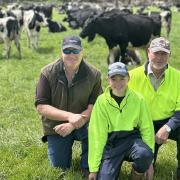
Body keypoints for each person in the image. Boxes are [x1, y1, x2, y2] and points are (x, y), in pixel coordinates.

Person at [35, 35, 102, 177]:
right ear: (61, 52)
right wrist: (70, 117)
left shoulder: (94, 74)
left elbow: (94, 106)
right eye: (67, 50)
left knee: (95, 129)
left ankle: (87, 166)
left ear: (82, 52)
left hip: (84, 122)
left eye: (75, 51)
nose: (71, 54)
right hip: (56, 126)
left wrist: (74, 124)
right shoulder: (47, 72)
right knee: (60, 168)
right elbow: (41, 107)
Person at [88, 62, 154, 180]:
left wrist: (149, 162)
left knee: (145, 154)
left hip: (132, 140)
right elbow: (97, 135)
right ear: (108, 79)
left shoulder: (138, 99)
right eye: (114, 79)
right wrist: (93, 169)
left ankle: (136, 175)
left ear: (128, 78)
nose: (118, 83)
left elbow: (147, 129)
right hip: (112, 144)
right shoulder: (101, 101)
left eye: (122, 78)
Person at [128, 37, 180, 179]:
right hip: (142, 124)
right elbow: (126, 111)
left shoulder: (178, 77)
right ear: (148, 52)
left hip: (169, 122)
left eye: (164, 54)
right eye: (156, 53)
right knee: (145, 166)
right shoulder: (132, 76)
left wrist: (168, 127)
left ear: (170, 55)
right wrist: (146, 132)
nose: (159, 58)